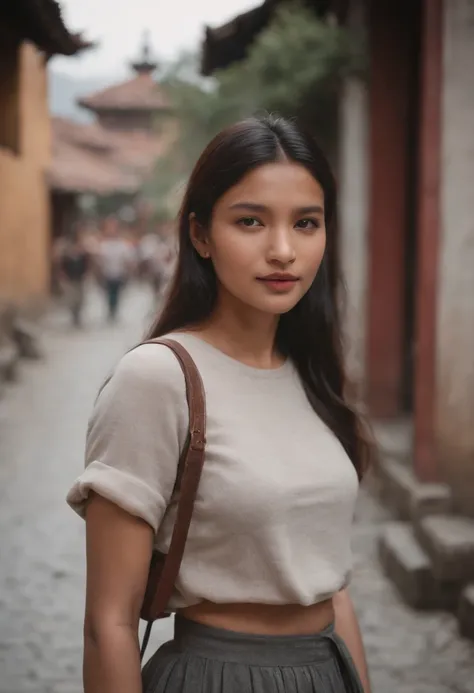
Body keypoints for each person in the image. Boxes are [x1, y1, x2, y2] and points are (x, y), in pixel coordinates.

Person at [67, 115, 374, 693]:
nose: (283, 250)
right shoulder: (159, 379)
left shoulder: (314, 374)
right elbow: (107, 623)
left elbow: (332, 584)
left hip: (327, 671)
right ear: (201, 235)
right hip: (217, 676)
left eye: (306, 223)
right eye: (251, 221)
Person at [96, 216, 135, 322]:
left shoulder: (122, 244)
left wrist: (128, 272)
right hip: (107, 273)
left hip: (119, 273)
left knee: (116, 294)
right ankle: (110, 310)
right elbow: (98, 260)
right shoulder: (102, 244)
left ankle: (114, 311)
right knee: (109, 294)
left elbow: (128, 260)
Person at [56, 230, 91, 327]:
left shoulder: (83, 250)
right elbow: (62, 263)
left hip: (80, 278)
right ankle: (74, 315)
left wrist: (86, 273)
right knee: (72, 298)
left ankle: (78, 315)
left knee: (80, 299)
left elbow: (86, 263)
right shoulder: (67, 250)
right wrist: (62, 273)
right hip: (70, 277)